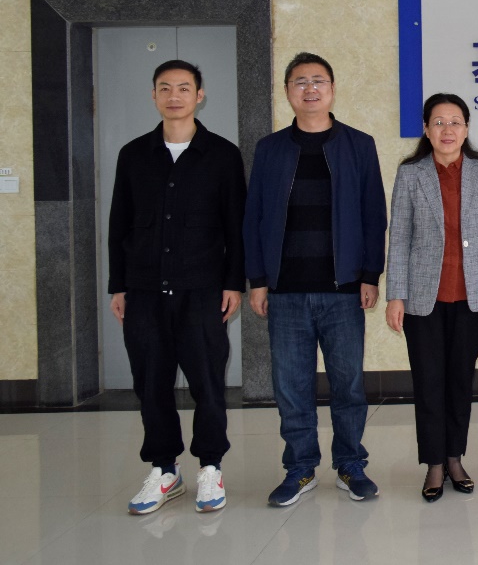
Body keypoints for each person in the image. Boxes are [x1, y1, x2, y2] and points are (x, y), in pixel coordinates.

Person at [244, 52, 386, 507]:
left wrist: (370, 275)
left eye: (318, 80)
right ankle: (300, 468)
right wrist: (257, 279)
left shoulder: (358, 145)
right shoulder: (270, 149)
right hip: (285, 291)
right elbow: (253, 217)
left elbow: (373, 214)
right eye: (300, 81)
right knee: (291, 388)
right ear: (287, 91)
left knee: (348, 386)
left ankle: (350, 465)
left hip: (343, 290)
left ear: (332, 89)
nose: (310, 88)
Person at [109, 60, 246, 515]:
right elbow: (119, 223)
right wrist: (118, 285)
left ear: (199, 95)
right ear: (153, 96)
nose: (174, 96)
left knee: (208, 381)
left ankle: (210, 466)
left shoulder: (222, 155)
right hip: (144, 289)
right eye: (165, 88)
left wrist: (234, 283)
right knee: (151, 383)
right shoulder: (133, 154)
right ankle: (164, 470)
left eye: (184, 88)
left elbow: (235, 226)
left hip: (203, 288)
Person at [385, 93, 478, 503]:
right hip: (424, 298)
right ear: (426, 129)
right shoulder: (411, 174)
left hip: (473, 297)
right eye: (438, 122)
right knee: (428, 381)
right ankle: (434, 464)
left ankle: (455, 458)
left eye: (455, 121)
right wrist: (396, 295)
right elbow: (399, 237)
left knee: (459, 380)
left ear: (467, 128)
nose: (447, 130)